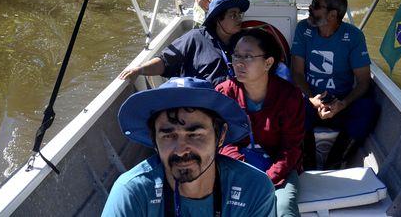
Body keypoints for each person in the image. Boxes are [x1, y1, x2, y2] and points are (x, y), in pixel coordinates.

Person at [102, 77, 276, 216]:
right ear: (153, 140)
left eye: (195, 135)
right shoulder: (132, 192)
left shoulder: (253, 187)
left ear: (221, 135)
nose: (180, 150)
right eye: (168, 136)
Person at [216, 28, 305, 217]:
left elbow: (291, 148)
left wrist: (267, 178)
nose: (239, 62)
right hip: (235, 168)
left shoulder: (289, 96)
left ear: (268, 62)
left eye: (247, 56)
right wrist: (245, 172)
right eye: (236, 55)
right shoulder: (224, 93)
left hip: (279, 169)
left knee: (283, 208)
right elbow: (221, 141)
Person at [290, 0, 379, 170]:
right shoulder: (303, 29)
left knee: (368, 109)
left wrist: (342, 104)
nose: (310, 7)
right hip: (310, 101)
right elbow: (297, 72)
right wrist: (311, 99)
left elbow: (363, 82)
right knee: (292, 106)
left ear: (332, 14)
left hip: (340, 102)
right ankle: (307, 163)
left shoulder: (353, 36)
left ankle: (336, 160)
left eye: (315, 4)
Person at [118, 0, 248, 87]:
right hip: (201, 104)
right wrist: (139, 70)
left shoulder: (245, 40)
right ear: (217, 20)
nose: (239, 19)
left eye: (239, 14)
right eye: (233, 15)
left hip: (234, 102)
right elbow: (165, 62)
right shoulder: (195, 38)